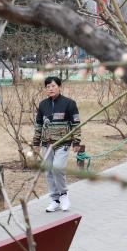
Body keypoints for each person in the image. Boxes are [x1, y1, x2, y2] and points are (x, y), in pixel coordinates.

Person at [32, 76, 82, 213]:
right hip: (47, 144)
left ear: (59, 86)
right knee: (49, 172)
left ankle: (64, 194)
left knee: (58, 168)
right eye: (48, 87)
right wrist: (36, 143)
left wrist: (77, 141)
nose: (51, 89)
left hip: (63, 144)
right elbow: (39, 126)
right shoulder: (43, 105)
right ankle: (55, 199)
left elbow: (76, 124)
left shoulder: (69, 103)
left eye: (53, 86)